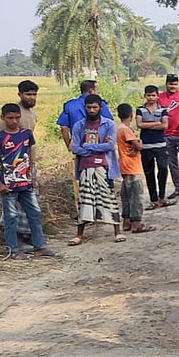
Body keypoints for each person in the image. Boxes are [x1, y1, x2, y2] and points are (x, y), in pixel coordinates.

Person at [0, 103, 56, 260]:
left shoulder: (26, 134)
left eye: (17, 118)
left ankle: (40, 247)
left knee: (35, 213)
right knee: (11, 217)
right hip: (8, 185)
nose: (14, 121)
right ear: (3, 118)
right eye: (10, 118)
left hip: (25, 183)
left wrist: (31, 176)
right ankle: (13, 249)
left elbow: (30, 156)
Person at [68, 94, 123, 245]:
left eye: (95, 107)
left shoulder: (109, 124)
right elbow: (75, 147)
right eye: (89, 107)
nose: (92, 110)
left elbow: (109, 146)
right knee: (85, 200)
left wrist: (87, 146)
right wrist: (94, 149)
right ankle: (79, 235)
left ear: (100, 108)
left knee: (109, 198)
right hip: (85, 167)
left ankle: (117, 232)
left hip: (104, 167)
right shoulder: (79, 125)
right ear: (84, 107)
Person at [56, 80, 113, 203]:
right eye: (96, 89)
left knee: (80, 177)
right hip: (99, 144)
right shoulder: (99, 104)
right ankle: (102, 205)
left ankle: (82, 208)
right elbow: (108, 124)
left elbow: (64, 128)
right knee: (103, 174)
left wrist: (69, 146)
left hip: (78, 144)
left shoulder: (69, 105)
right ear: (91, 90)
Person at [0, 80, 39, 240]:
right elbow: (1, 139)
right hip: (12, 166)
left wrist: (30, 165)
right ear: (20, 95)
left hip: (28, 164)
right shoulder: (13, 113)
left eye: (34, 94)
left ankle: (27, 233)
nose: (32, 98)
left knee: (29, 200)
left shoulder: (32, 115)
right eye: (28, 94)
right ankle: (13, 237)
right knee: (13, 203)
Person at [115, 104, 154, 234]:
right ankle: (136, 222)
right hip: (132, 166)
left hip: (124, 165)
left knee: (126, 195)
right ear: (131, 115)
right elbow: (139, 146)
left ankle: (126, 221)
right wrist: (140, 142)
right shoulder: (126, 129)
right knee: (136, 194)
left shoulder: (119, 128)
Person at [136, 85, 171, 210]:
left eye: (153, 95)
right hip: (146, 146)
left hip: (160, 145)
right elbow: (139, 124)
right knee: (149, 173)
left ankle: (162, 197)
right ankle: (153, 199)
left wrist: (148, 125)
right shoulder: (140, 110)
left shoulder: (163, 110)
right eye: (148, 95)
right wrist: (157, 123)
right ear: (145, 96)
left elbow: (165, 126)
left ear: (157, 96)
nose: (151, 98)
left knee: (163, 169)